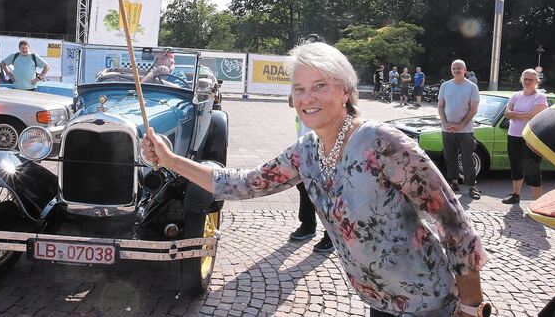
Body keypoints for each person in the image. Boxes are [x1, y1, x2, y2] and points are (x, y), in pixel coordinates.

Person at [142, 42, 490, 317]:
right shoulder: (305, 151)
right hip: (379, 302)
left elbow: (452, 223)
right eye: (299, 89)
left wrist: (471, 307)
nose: (307, 98)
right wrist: (171, 160)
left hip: (429, 302)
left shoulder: (382, 143)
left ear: (345, 91)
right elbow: (240, 183)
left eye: (320, 86)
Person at [288, 33, 334, 253]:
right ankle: (307, 224)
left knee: (326, 187)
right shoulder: (302, 74)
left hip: (327, 140)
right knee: (303, 183)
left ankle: (331, 234)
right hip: (305, 140)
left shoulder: (331, 74)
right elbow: (291, 101)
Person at [502, 69, 548, 204]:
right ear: (521, 80)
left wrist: (515, 114)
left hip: (531, 137)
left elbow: (534, 115)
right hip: (514, 135)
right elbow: (506, 113)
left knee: (532, 168)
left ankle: (538, 202)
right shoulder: (515, 96)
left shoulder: (539, 97)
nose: (527, 82)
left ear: (536, 82)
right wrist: (522, 115)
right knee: (515, 165)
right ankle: (515, 195)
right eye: (525, 79)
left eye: (531, 80)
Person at [438, 59, 482, 200]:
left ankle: (471, 187)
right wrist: (445, 122)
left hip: (466, 131)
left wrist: (462, 124)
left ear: (465, 70)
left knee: (467, 159)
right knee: (449, 157)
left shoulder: (472, 87)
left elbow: (473, 109)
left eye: (459, 68)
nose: (456, 70)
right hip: (448, 129)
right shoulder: (445, 86)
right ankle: (453, 182)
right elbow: (440, 106)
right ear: (451, 70)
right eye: (454, 68)